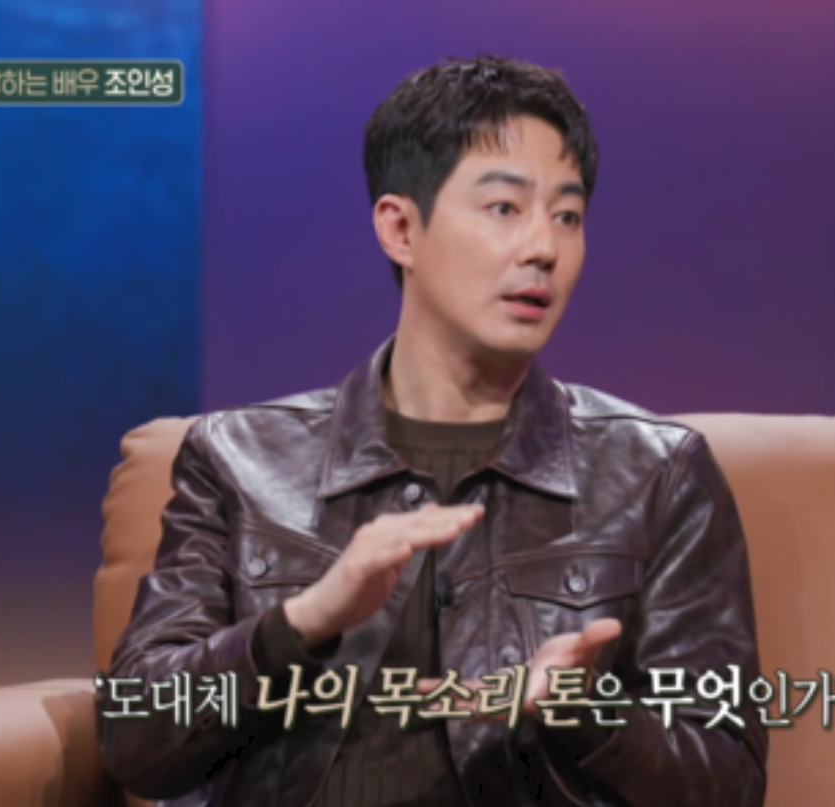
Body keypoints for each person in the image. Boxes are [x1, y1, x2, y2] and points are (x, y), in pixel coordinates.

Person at [97, 53, 767, 807]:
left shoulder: (659, 473)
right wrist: (305, 619)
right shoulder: (237, 460)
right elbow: (136, 743)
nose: (543, 248)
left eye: (568, 216)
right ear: (400, 229)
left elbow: (728, 781)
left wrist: (585, 713)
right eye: (504, 208)